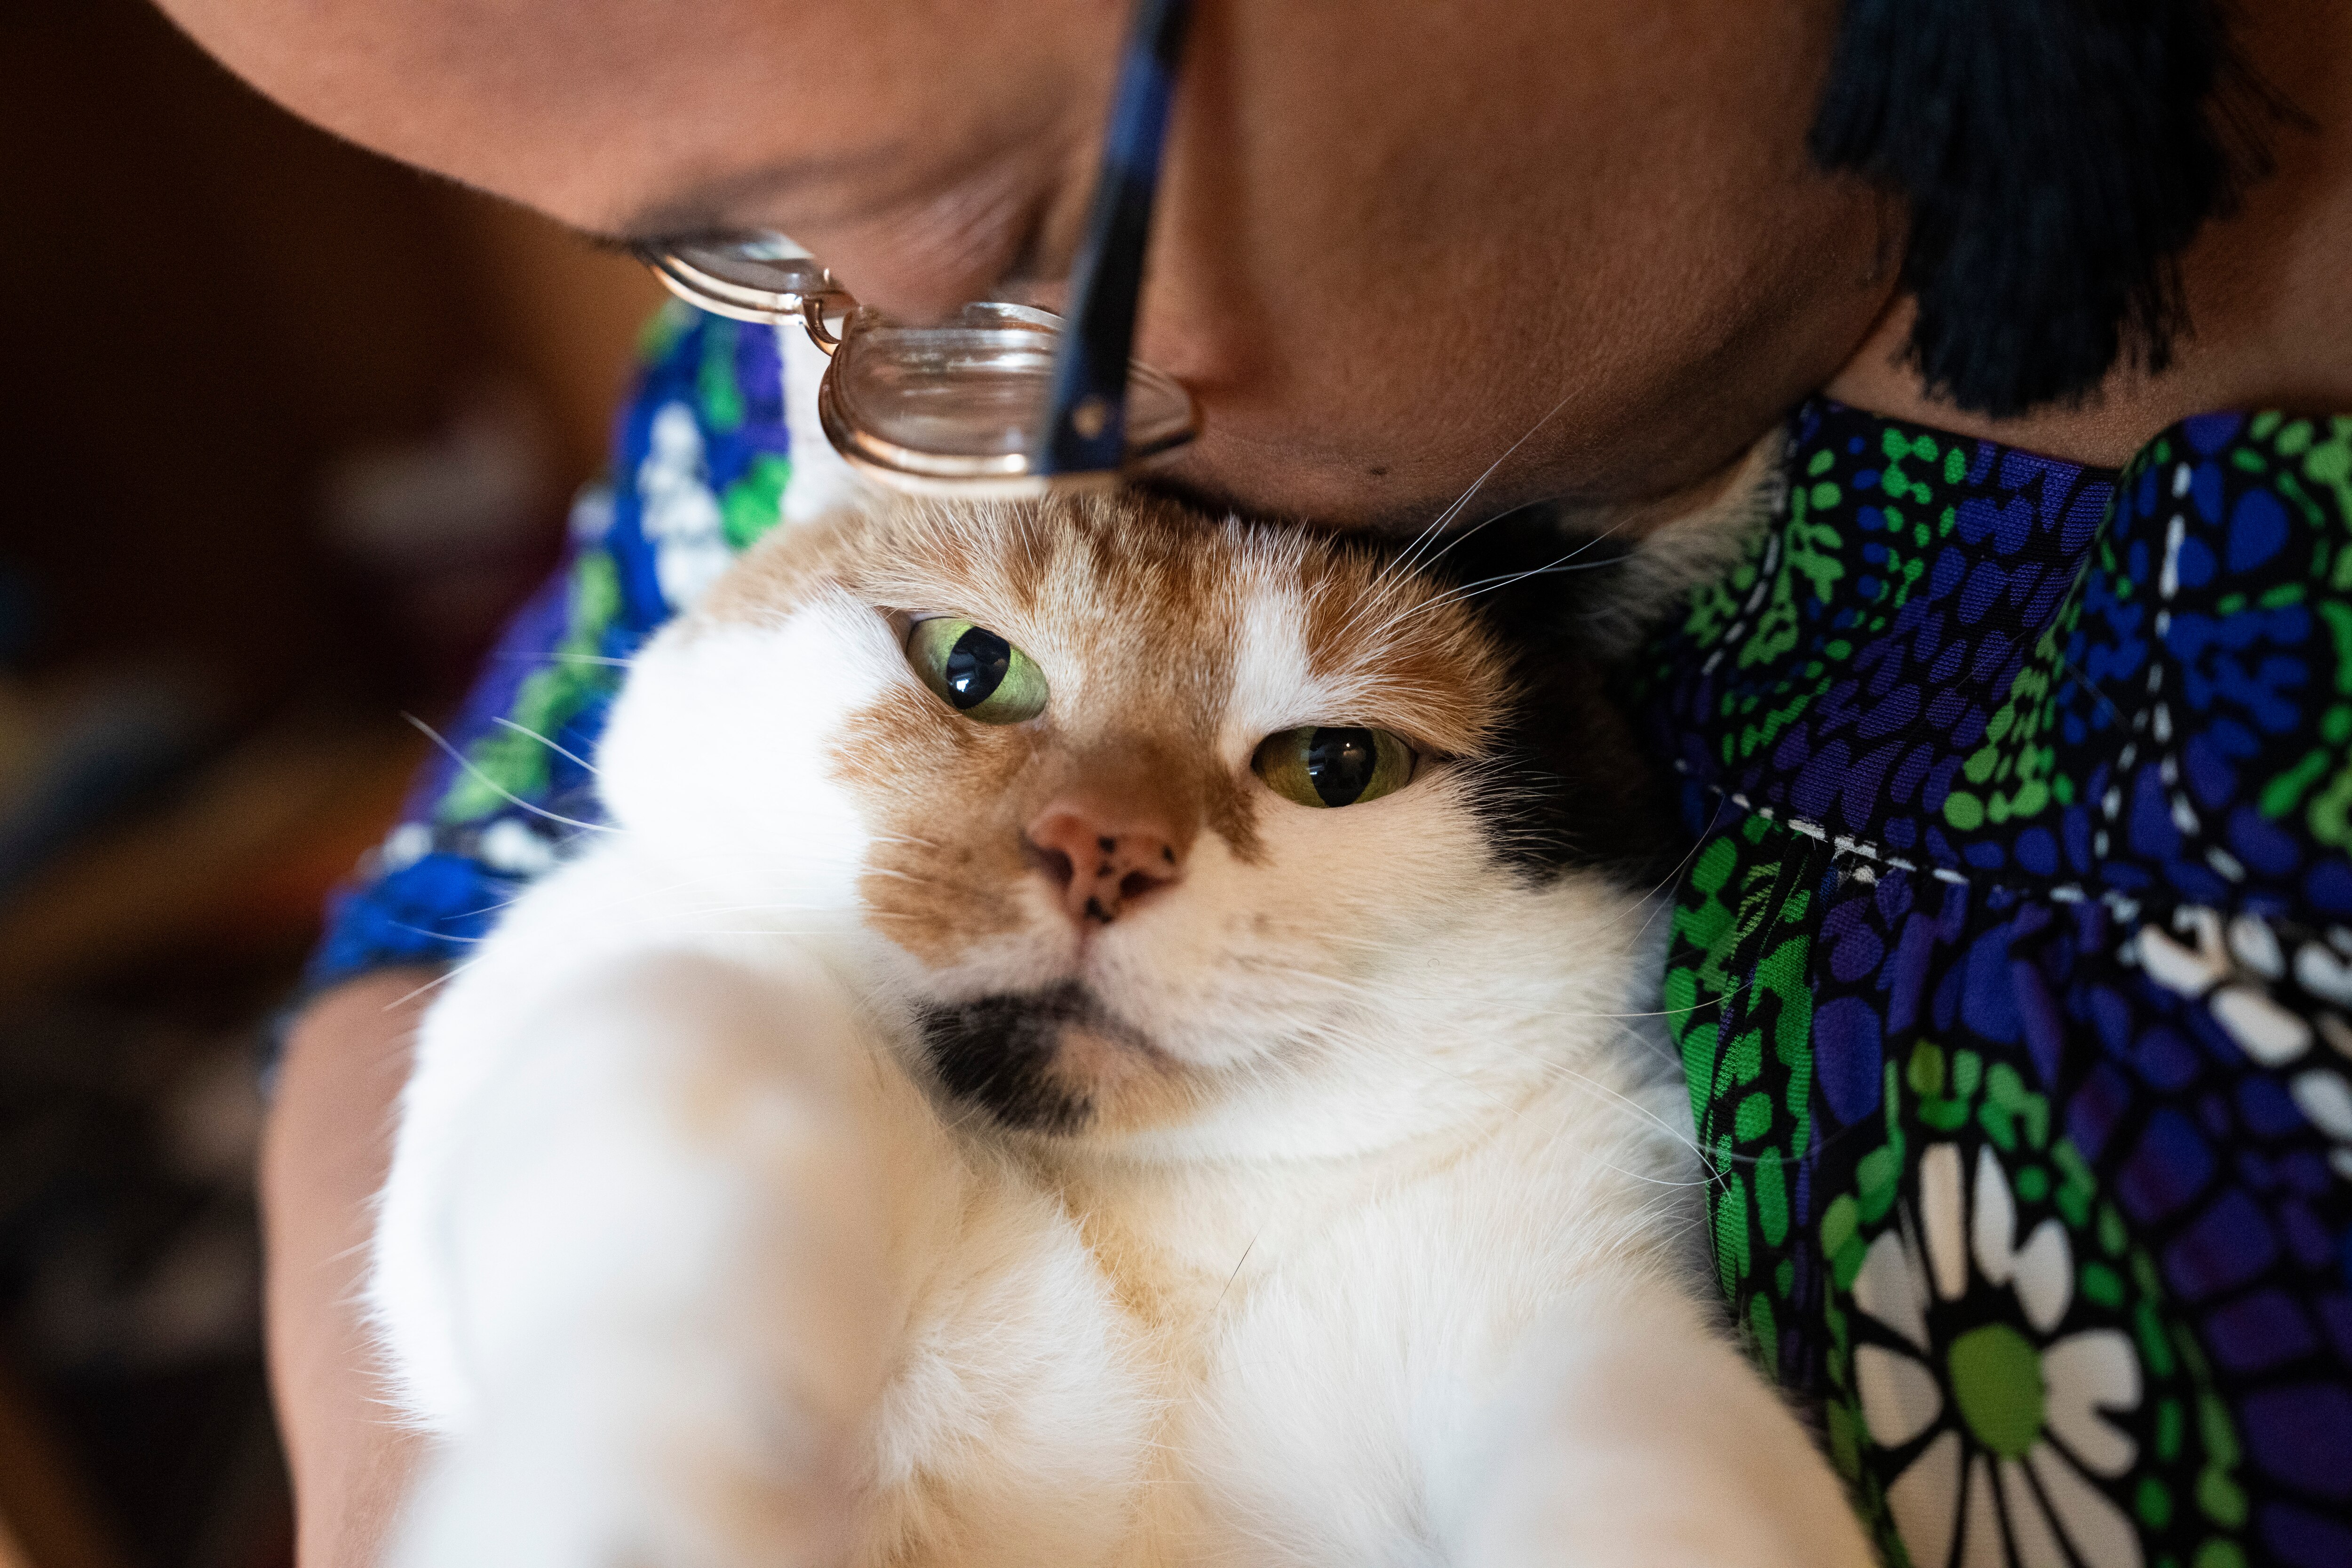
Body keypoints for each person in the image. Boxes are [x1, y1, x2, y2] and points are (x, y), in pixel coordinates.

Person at [149, 0, 2352, 1563]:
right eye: (725, 253)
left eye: (961, 207)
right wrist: (575, 1405)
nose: (859, 371)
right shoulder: (851, 365)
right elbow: (437, 900)